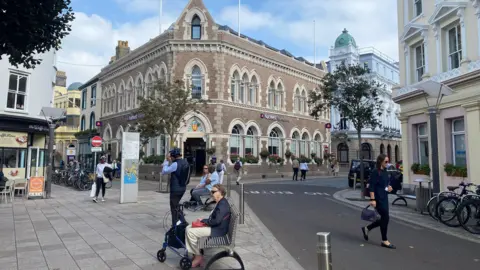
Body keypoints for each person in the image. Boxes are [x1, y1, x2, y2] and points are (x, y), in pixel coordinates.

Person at [186, 184, 231, 268]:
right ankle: (196, 253)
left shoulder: (222, 205)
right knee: (188, 227)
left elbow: (216, 221)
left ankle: (198, 257)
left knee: (190, 232)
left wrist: (204, 221)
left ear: (220, 192)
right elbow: (215, 219)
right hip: (216, 227)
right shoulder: (221, 202)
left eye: (213, 192)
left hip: (217, 230)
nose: (211, 193)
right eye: (211, 191)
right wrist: (204, 221)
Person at [361, 153, 396, 249]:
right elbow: (371, 186)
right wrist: (372, 199)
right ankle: (384, 240)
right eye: (386, 161)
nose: (387, 163)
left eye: (388, 161)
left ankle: (367, 228)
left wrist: (389, 187)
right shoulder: (376, 172)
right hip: (377, 198)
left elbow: (385, 184)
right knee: (385, 217)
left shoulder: (385, 171)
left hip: (384, 197)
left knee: (385, 218)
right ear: (380, 161)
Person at [162, 148, 191, 226]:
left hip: (175, 188)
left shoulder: (175, 164)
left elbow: (164, 171)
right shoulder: (185, 162)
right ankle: (182, 221)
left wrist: (166, 161)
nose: (170, 157)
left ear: (173, 156)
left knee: (174, 207)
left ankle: (175, 224)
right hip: (183, 187)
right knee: (176, 205)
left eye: (171, 156)